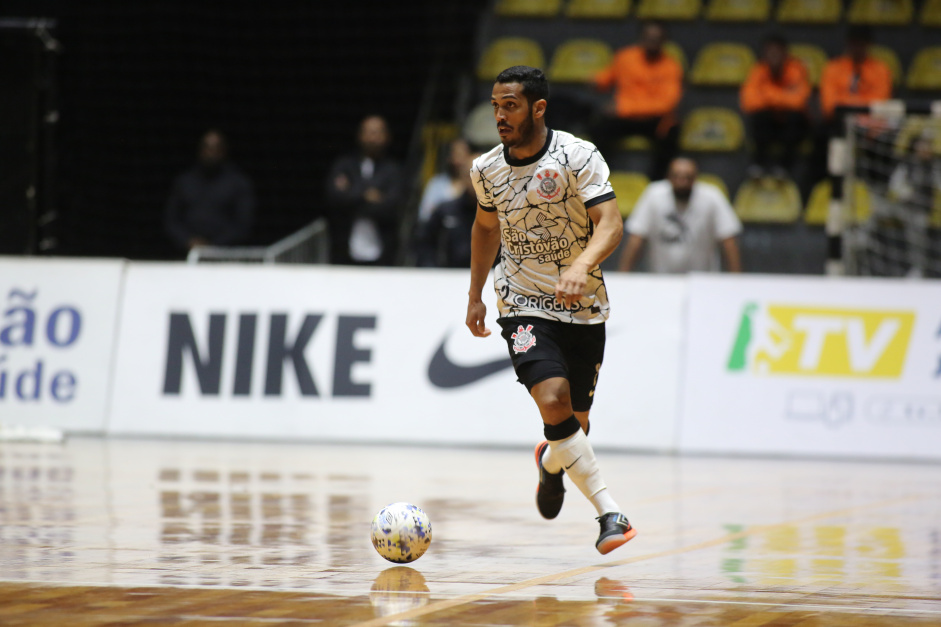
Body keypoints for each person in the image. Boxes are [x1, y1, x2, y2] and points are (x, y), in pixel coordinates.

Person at [466, 65, 636, 555]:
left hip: (583, 308)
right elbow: (484, 229)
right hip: (520, 302)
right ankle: (610, 513)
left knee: (573, 427)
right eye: (496, 105)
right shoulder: (486, 169)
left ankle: (550, 463)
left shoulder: (578, 156)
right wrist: (476, 294)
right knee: (554, 399)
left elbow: (611, 223)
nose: (500, 115)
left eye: (511, 105)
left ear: (538, 108)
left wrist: (583, 264)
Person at [591, 21, 683, 180]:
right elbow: (608, 77)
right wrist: (597, 81)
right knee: (597, 126)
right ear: (641, 38)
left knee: (671, 134)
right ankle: (600, 176)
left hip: (653, 121)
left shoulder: (671, 66)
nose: (652, 42)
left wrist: (624, 107)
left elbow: (666, 104)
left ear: (664, 41)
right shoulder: (625, 57)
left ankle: (657, 182)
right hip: (624, 120)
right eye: (649, 37)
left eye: (657, 38)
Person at [618, 157, 742, 273]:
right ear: (668, 177)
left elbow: (728, 240)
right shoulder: (653, 195)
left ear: (696, 178)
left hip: (703, 280)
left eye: (687, 177)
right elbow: (636, 238)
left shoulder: (712, 196)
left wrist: (735, 281)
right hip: (660, 280)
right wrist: (623, 276)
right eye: (676, 176)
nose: (682, 182)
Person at [325, 115, 404, 266]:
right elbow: (334, 198)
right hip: (344, 252)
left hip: (384, 254)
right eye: (369, 132)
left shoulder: (394, 170)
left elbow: (393, 206)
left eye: (378, 132)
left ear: (387, 136)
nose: (373, 137)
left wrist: (351, 193)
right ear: (360, 135)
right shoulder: (344, 165)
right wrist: (366, 195)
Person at [164, 130, 255, 253]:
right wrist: (187, 241)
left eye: (216, 147)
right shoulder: (184, 181)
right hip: (186, 253)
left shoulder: (238, 183)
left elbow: (242, 224)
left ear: (224, 150)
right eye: (207, 147)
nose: (211, 152)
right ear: (200, 150)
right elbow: (171, 220)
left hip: (225, 255)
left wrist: (213, 246)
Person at [740, 34, 811, 179]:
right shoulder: (758, 70)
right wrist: (783, 96)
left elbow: (798, 102)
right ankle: (758, 165)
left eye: (777, 52)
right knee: (759, 116)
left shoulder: (796, 69)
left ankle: (784, 167)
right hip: (769, 123)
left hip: (791, 124)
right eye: (770, 53)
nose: (774, 56)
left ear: (785, 54)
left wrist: (767, 94)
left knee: (794, 117)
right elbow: (748, 102)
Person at [415, 149, 482, 268]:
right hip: (449, 277)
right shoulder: (445, 210)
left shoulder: (506, 213)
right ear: (462, 177)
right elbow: (425, 243)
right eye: (471, 175)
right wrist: (432, 270)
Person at [887, 132, 940, 278]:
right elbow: (894, 185)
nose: (924, 148)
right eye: (922, 145)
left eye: (927, 145)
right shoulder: (907, 164)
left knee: (917, 231)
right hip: (905, 207)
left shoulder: (934, 165)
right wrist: (905, 192)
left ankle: (919, 269)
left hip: (924, 210)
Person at [820, 26, 892, 122]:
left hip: (870, 121)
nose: (857, 48)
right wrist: (857, 103)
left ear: (868, 44)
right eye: (854, 43)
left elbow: (880, 102)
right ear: (848, 43)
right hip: (838, 120)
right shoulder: (833, 68)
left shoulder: (880, 69)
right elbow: (828, 104)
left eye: (861, 44)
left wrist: (850, 103)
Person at [416, 138, 472, 224]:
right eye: (455, 155)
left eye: (462, 155)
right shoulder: (437, 183)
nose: (458, 161)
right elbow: (425, 214)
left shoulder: (475, 186)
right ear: (449, 158)